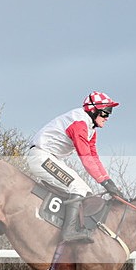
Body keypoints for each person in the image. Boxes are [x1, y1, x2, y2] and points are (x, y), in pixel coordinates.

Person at [26, 92, 125, 243]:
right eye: (106, 113)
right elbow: (85, 158)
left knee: (86, 191)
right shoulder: (79, 124)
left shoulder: (91, 129)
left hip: (51, 157)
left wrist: (109, 182)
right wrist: (104, 183)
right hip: (41, 157)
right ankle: (68, 231)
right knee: (77, 188)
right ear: (93, 110)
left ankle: (73, 226)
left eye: (109, 113)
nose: (107, 117)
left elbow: (94, 158)